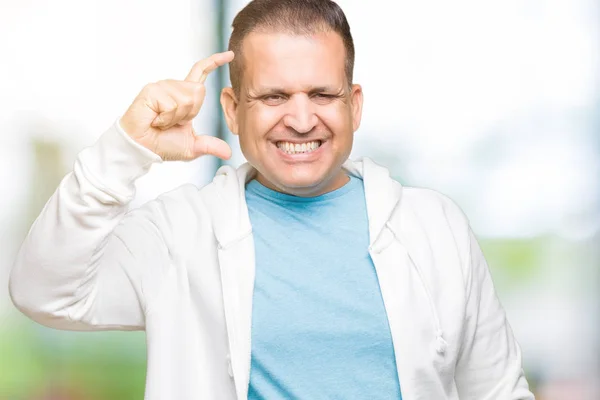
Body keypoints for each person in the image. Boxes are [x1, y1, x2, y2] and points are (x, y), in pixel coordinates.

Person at [9, 0, 535, 399]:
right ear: (233, 110)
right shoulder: (179, 232)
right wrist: (124, 151)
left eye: (322, 94)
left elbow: (499, 391)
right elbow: (44, 291)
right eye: (274, 96)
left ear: (354, 106)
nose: (301, 119)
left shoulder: (433, 226)